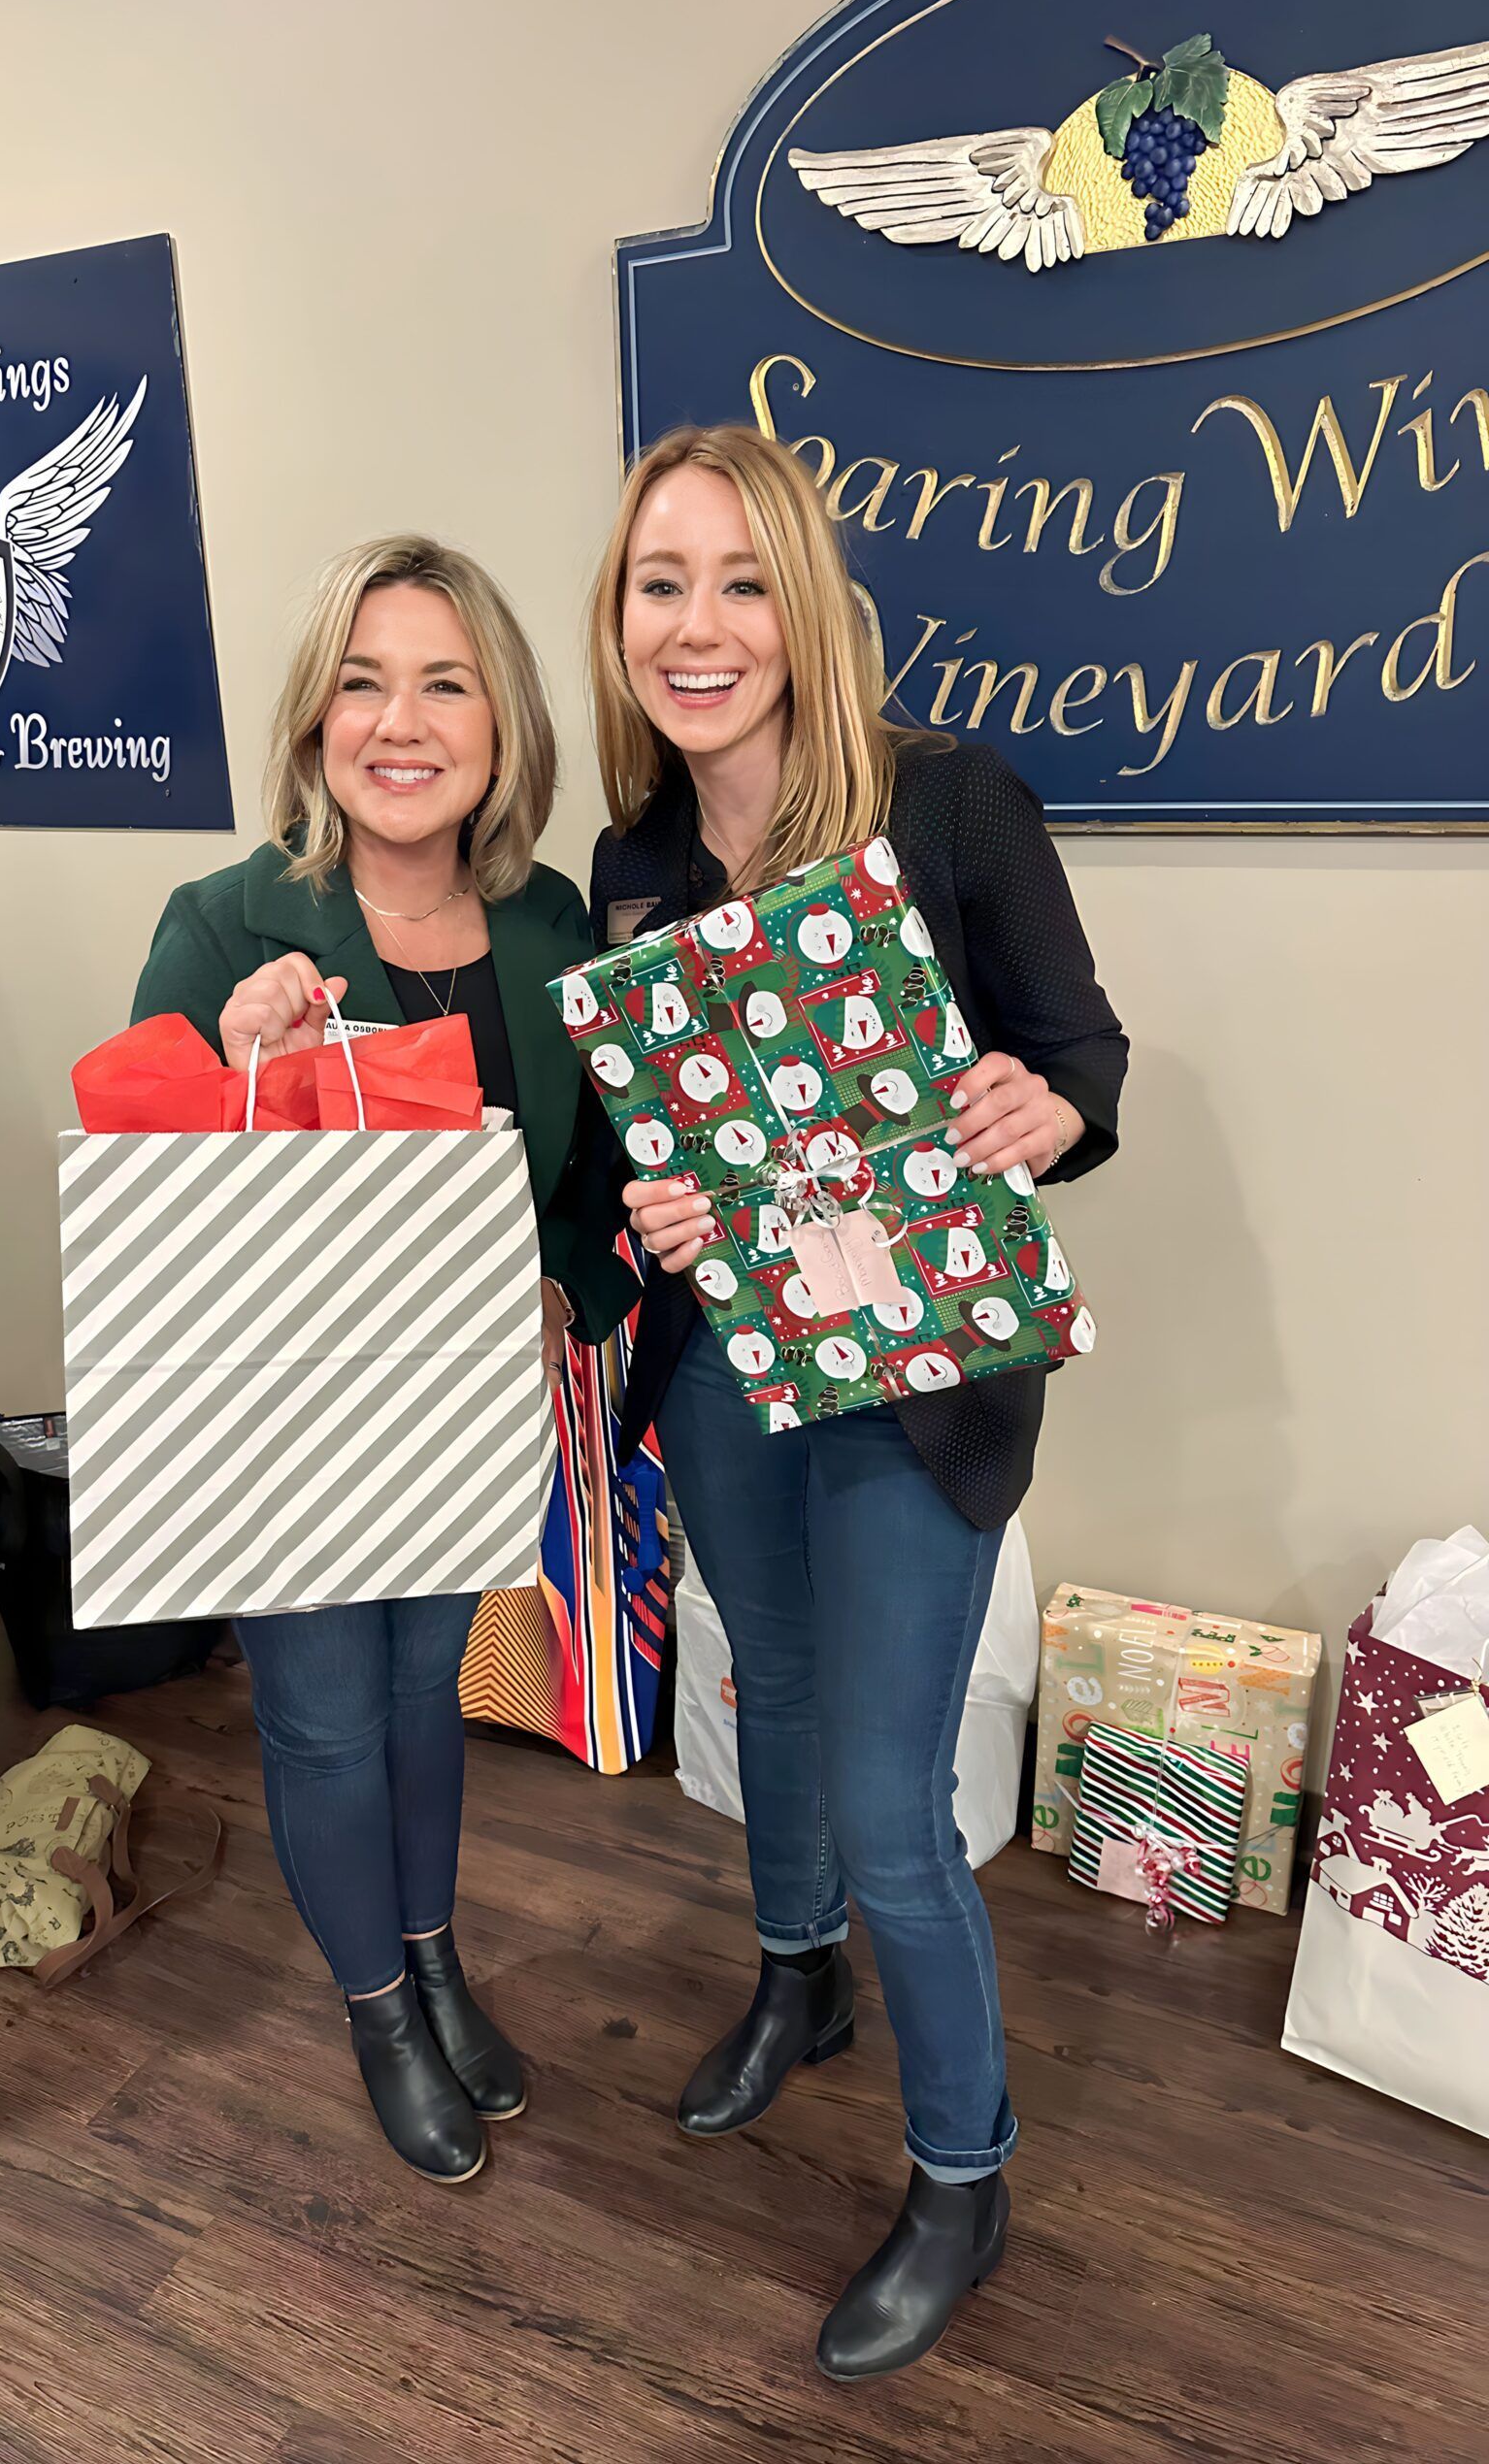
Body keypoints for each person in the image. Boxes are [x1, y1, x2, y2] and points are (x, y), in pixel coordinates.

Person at [583, 425, 1126, 2376]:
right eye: (662, 580)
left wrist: (1042, 1108)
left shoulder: (952, 804)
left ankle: (963, 2172)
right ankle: (797, 1979)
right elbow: (646, 1114)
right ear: (621, 613)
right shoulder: (634, 857)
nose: (699, 621)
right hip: (732, 1354)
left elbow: (1079, 1053)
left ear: (803, 604)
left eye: (740, 580)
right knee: (772, 1692)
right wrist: (649, 1187)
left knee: (899, 1797)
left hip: (915, 1372)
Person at [133, 535, 635, 2185]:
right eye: (362, 681)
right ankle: (371, 2003)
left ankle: (432, 1958)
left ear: (499, 726)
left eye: (443, 682)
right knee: (329, 1722)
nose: (398, 721)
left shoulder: (553, 925)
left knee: (429, 1699)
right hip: (282, 1412)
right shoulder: (227, 923)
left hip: (464, 1395)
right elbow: (144, 1187)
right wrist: (233, 1059)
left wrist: (570, 1290)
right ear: (314, 718)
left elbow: (599, 1177)